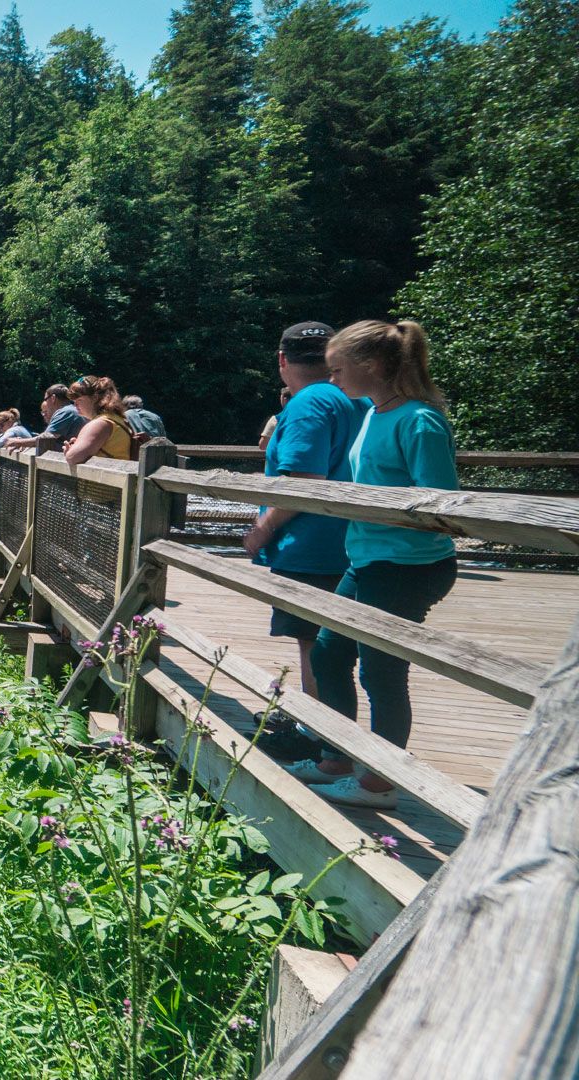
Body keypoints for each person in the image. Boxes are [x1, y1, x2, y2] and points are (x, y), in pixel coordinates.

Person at [286, 320, 460, 811]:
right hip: (367, 559)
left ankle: (380, 783)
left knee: (382, 673)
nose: (334, 380)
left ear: (374, 366)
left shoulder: (419, 420)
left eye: (339, 370)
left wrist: (377, 506)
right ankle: (337, 759)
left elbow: (440, 504)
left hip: (405, 565)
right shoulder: (373, 413)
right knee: (327, 654)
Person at [241, 322, 364, 701]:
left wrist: (263, 528)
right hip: (351, 543)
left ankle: (315, 737)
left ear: (282, 359)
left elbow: (304, 480)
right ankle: (327, 738)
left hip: (312, 547)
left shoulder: (308, 403)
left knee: (315, 646)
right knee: (334, 649)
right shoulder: (358, 399)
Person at [62, 375, 135, 464]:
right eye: (74, 401)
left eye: (79, 400)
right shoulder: (116, 419)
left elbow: (73, 457)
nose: (75, 405)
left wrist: (70, 451)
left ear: (95, 398)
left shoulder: (101, 423)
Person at [2, 384, 86, 452]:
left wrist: (17, 442)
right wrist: (24, 443)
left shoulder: (65, 412)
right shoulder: (70, 410)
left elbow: (45, 438)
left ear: (53, 398)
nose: (45, 403)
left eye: (46, 399)